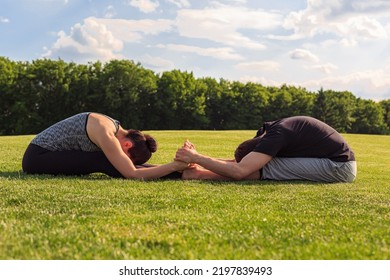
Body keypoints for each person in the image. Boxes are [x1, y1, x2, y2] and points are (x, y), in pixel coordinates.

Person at [175, 116, 357, 183]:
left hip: (340, 167)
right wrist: (201, 158)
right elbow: (246, 162)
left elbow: (240, 171)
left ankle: (198, 175)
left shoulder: (277, 135)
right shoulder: (268, 129)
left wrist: (196, 158)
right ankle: (198, 171)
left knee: (268, 168)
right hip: (332, 160)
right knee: (261, 164)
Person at [22, 112, 187, 179]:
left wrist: (175, 167)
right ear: (128, 144)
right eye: (128, 157)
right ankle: (181, 174)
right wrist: (173, 167)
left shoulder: (114, 127)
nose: (123, 158)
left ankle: (182, 172)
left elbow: (129, 166)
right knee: (103, 160)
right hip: (37, 158)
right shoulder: (107, 134)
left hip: (46, 154)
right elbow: (132, 172)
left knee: (106, 160)